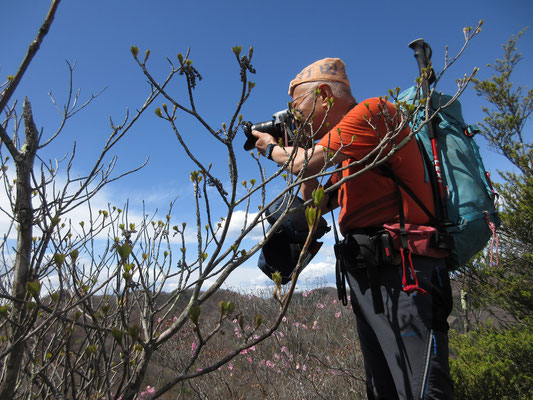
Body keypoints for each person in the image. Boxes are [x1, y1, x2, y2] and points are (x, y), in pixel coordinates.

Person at [252, 58, 454, 400]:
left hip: (405, 275)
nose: (294, 115)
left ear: (325, 94)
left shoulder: (373, 113)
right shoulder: (346, 154)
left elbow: (302, 162)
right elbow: (313, 209)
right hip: (368, 279)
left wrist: (271, 148)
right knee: (382, 391)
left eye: (297, 105)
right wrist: (301, 149)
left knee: (420, 391)